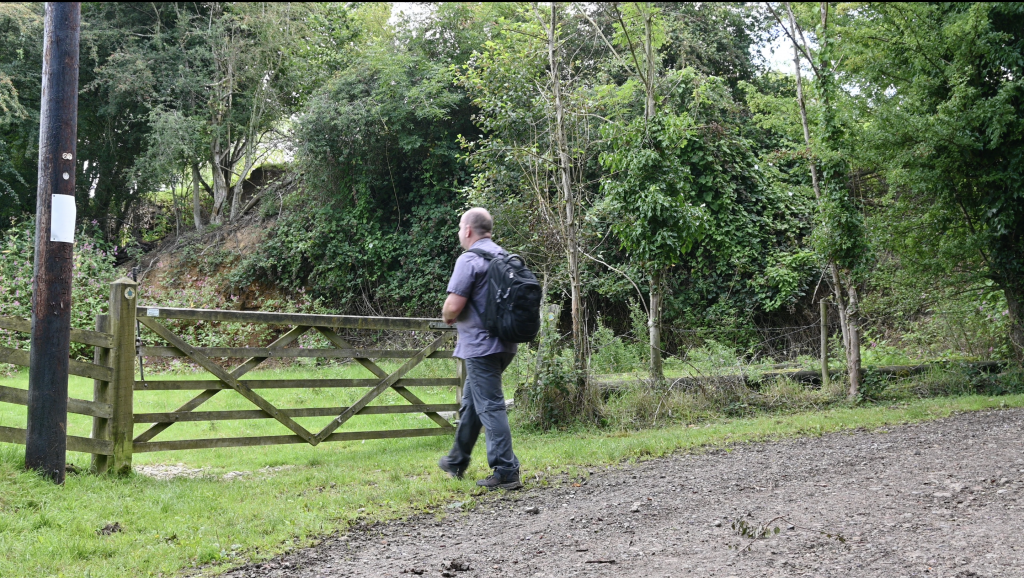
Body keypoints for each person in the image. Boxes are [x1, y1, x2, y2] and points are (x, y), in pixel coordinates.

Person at [438, 207, 523, 490]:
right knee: (473, 404)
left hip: (480, 346)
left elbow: (453, 307)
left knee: (489, 405)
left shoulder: (470, 259)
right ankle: (456, 461)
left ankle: (506, 469)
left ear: (468, 230)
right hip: (506, 343)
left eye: (460, 227)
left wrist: (447, 315)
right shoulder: (504, 257)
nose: (460, 232)